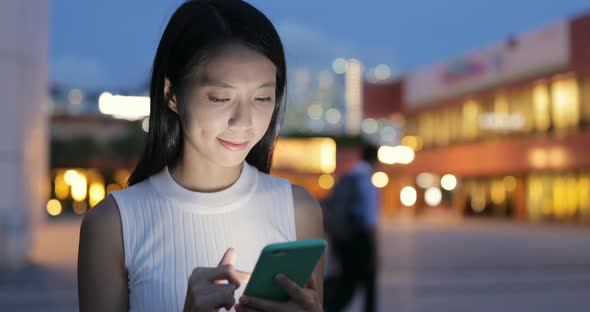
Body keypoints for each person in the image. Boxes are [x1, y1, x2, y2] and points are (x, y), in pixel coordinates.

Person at [77, 1, 325, 311]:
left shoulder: (299, 211)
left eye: (263, 97)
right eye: (221, 97)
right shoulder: (112, 225)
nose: (244, 122)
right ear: (172, 94)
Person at [323, 143, 379, 312]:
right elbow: (369, 217)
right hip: (359, 238)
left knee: (347, 279)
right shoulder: (365, 180)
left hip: (343, 237)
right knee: (364, 280)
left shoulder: (348, 177)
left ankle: (332, 306)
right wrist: (373, 243)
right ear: (375, 159)